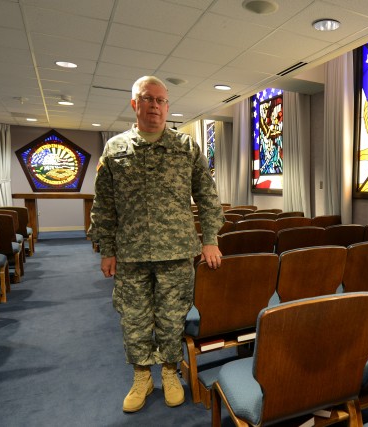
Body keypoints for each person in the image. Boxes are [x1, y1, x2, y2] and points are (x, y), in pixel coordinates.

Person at [89, 75, 224, 413]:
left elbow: (207, 197)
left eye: (162, 100)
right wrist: (107, 249)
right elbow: (104, 204)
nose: (156, 106)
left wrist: (210, 240)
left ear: (168, 106)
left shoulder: (186, 147)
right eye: (148, 99)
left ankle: (168, 371)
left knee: (172, 318)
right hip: (131, 254)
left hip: (177, 253)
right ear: (135, 104)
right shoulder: (116, 149)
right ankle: (141, 376)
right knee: (133, 319)